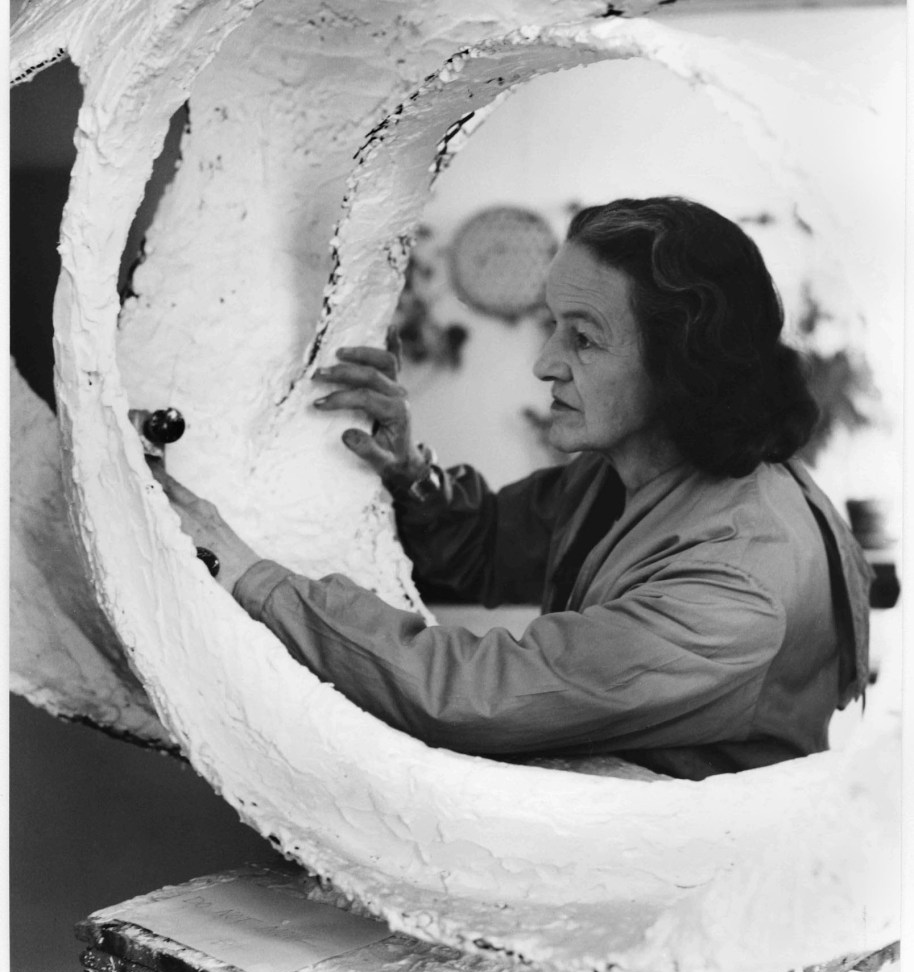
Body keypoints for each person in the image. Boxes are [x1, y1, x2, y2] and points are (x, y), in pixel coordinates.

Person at [153, 196, 872, 781]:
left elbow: (473, 696)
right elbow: (488, 546)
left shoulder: (731, 585)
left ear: (680, 368)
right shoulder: (628, 467)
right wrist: (407, 470)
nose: (545, 364)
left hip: (693, 905)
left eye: (584, 338)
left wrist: (246, 573)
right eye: (553, 325)